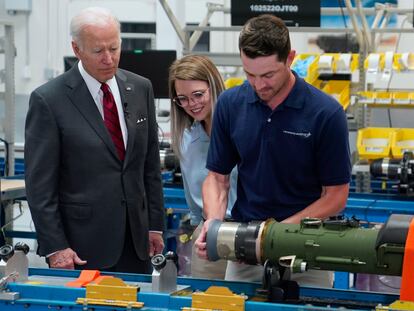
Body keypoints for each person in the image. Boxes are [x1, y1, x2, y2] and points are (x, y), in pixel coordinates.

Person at [195, 14, 351, 286]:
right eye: (250, 74)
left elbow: (336, 196)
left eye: (268, 74)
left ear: (290, 58)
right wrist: (214, 223)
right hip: (246, 252)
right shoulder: (231, 104)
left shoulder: (326, 113)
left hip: (308, 249)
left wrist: (274, 236)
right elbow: (217, 178)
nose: (258, 85)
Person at [24, 7, 165, 273]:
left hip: (136, 243)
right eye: (98, 51)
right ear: (77, 49)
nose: (109, 59)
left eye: (114, 48)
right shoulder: (49, 100)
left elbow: (150, 166)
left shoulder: (141, 88)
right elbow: (40, 186)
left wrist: (155, 225)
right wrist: (56, 247)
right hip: (80, 248)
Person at [168, 55, 237, 279]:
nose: (192, 104)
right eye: (183, 99)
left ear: (214, 87)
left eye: (198, 94)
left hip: (246, 232)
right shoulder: (187, 140)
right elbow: (194, 202)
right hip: (209, 236)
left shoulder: (240, 131)